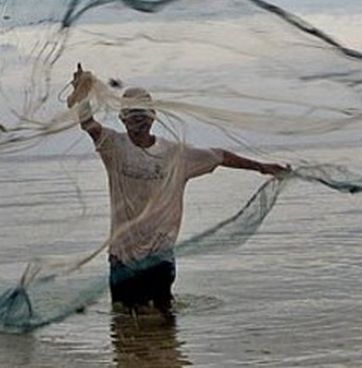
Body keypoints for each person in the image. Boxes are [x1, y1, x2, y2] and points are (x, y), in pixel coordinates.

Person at [67, 64, 287, 313]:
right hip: (122, 258)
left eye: (142, 115)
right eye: (132, 116)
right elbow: (89, 124)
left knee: (163, 319)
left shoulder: (176, 155)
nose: (137, 121)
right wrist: (81, 94)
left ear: (152, 117)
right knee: (123, 322)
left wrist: (262, 167)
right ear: (123, 119)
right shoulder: (114, 146)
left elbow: (221, 156)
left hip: (160, 255)